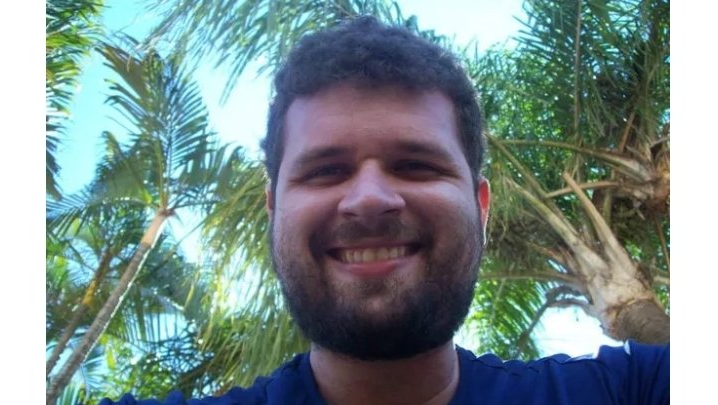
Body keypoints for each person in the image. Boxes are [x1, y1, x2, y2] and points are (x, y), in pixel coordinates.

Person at [100, 16, 669, 405]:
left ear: (480, 208)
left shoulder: (632, 390)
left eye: (416, 165)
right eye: (325, 171)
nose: (369, 198)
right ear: (274, 211)